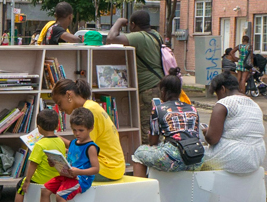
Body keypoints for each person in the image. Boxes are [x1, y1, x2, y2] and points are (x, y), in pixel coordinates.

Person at [33, 108, 100, 202]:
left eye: (81, 130)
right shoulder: (74, 142)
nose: (77, 134)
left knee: (60, 195)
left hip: (80, 180)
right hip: (67, 175)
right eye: (74, 130)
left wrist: (78, 172)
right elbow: (69, 158)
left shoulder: (91, 147)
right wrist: (54, 163)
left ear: (90, 128)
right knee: (45, 190)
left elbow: (96, 169)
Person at [105, 10, 166, 144]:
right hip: (158, 85)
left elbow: (110, 38)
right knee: (156, 125)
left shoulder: (140, 37)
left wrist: (119, 22)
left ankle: (148, 160)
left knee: (147, 128)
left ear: (133, 25)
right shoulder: (155, 35)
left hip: (147, 89)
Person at [50, 78, 125, 181]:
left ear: (68, 95)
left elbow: (83, 148)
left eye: (59, 103)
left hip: (106, 168)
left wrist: (54, 137)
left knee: (57, 174)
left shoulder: (89, 111)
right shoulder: (90, 106)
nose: (60, 109)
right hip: (112, 166)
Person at [5, 109, 67, 202]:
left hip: (41, 179)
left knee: (19, 186)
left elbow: (33, 164)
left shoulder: (40, 144)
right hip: (56, 177)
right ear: (56, 126)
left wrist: (27, 181)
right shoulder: (60, 141)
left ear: (38, 127)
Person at [131, 73, 201, 176]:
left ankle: (141, 190)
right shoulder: (192, 109)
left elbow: (153, 141)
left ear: (163, 91)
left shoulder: (159, 109)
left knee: (139, 153)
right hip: (196, 158)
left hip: (174, 159)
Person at [201, 72, 266, 173]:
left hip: (235, 155)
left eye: (217, 94)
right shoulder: (254, 104)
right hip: (257, 157)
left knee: (193, 154)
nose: (217, 98)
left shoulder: (224, 103)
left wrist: (206, 132)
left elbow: (212, 139)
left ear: (223, 89)